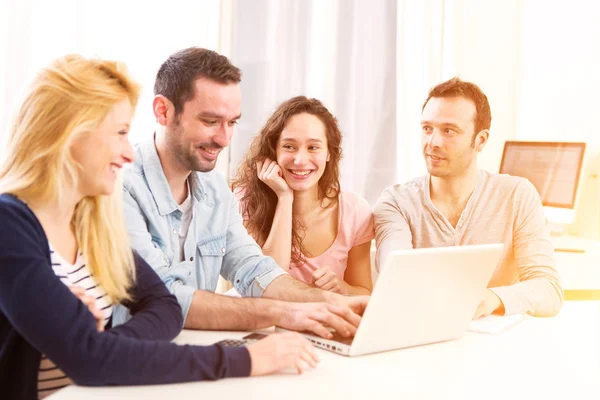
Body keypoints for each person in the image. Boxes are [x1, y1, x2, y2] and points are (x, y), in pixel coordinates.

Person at [0, 54, 319, 400]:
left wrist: (100, 347)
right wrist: (244, 359)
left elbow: (164, 306)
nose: (128, 152)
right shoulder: (9, 224)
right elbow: (89, 359)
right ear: (69, 135)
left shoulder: (91, 222)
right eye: (120, 132)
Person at [121, 47, 367, 338]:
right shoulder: (122, 187)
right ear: (163, 111)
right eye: (210, 121)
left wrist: (335, 303)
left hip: (195, 353)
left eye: (232, 122)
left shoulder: (214, 190)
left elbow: (254, 269)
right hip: (133, 360)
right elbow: (166, 297)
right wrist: (285, 312)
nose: (224, 138)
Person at [373, 77, 563, 318]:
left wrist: (492, 299)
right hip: (422, 339)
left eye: (449, 131)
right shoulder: (395, 202)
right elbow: (394, 274)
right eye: (427, 128)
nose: (433, 142)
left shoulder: (517, 195)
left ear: (480, 140)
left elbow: (549, 291)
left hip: (494, 344)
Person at [232, 96, 373, 295]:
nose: (299, 160)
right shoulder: (246, 202)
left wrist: (341, 288)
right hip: (264, 324)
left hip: (324, 324)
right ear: (274, 151)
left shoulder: (354, 212)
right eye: (289, 146)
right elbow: (266, 285)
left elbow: (365, 294)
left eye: (313, 147)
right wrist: (284, 198)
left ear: (329, 153)